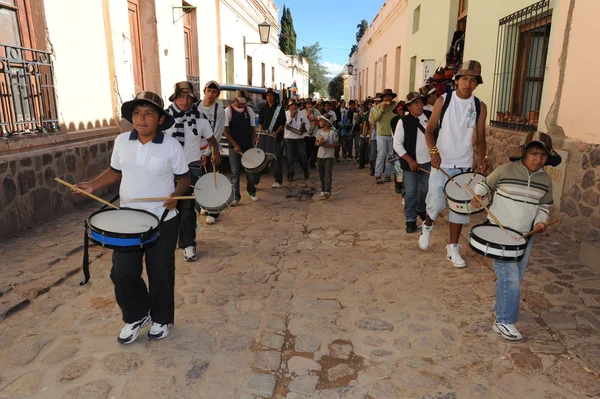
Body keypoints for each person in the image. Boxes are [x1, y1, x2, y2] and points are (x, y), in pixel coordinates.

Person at [74, 91, 190, 342]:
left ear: (160, 119)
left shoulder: (171, 145)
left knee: (161, 273)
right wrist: (93, 185)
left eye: (149, 113)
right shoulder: (121, 141)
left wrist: (176, 196)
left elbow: (184, 178)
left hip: (162, 220)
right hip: (127, 220)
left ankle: (161, 318)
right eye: (137, 113)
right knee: (122, 273)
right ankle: (137, 314)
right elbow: (115, 171)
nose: (142, 119)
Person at [472, 132, 557, 341]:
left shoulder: (545, 180)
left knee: (515, 277)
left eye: (543, 155)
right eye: (534, 153)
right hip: (500, 233)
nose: (538, 159)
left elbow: (544, 206)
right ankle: (504, 321)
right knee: (510, 279)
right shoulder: (505, 170)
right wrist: (478, 195)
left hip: (525, 236)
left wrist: (540, 222)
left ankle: (502, 303)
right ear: (523, 152)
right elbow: (484, 185)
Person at [419, 60, 488, 268]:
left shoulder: (479, 106)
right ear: (457, 81)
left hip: (464, 164)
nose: (468, 83)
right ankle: (428, 226)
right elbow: (429, 131)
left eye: (473, 80)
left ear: (477, 84)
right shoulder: (443, 100)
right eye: (464, 78)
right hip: (441, 163)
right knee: (436, 204)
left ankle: (452, 247)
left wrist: (482, 159)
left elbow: (482, 137)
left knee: (459, 207)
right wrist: (434, 153)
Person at [164, 81, 221, 262]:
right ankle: (167, 240)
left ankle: (188, 244)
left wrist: (215, 153)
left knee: (187, 207)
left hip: (190, 169)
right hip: (166, 170)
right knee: (169, 206)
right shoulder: (163, 118)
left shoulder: (200, 118)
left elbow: (212, 140)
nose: (185, 100)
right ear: (175, 97)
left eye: (188, 97)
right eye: (181, 96)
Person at [393, 92, 431, 233]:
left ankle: (421, 209)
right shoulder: (403, 122)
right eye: (416, 103)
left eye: (420, 101)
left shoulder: (430, 117)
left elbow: (437, 137)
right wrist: (410, 160)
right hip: (410, 165)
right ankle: (410, 220)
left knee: (426, 191)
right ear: (408, 106)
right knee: (410, 193)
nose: (419, 105)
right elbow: (397, 144)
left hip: (428, 163)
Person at [223, 90, 259, 204]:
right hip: (234, 147)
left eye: (244, 102)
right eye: (241, 102)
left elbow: (252, 127)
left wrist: (254, 137)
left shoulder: (249, 111)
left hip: (247, 145)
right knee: (235, 172)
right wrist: (235, 145)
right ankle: (236, 196)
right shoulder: (228, 111)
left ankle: (251, 191)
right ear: (236, 99)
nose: (243, 104)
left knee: (250, 171)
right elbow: (225, 131)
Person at [197, 80, 225, 225]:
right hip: (196, 149)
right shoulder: (196, 107)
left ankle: (214, 211)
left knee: (213, 180)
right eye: (209, 91)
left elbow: (217, 133)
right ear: (204, 91)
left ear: (217, 95)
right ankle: (204, 204)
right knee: (201, 180)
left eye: (214, 92)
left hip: (212, 148)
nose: (210, 94)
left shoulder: (219, 110)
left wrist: (208, 153)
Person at [258, 87, 286, 188]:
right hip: (265, 136)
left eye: (271, 95)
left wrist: (275, 133)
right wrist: (260, 134)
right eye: (268, 95)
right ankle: (256, 181)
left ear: (274, 97)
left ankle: (278, 180)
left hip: (276, 137)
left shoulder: (279, 108)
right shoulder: (262, 108)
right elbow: (260, 123)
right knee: (261, 157)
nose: (269, 97)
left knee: (276, 158)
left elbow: (282, 124)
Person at [372, 89, 398, 184]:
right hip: (381, 135)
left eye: (389, 96)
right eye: (385, 96)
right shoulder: (379, 106)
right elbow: (374, 119)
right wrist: (382, 110)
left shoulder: (396, 106)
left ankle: (388, 175)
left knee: (390, 156)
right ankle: (378, 174)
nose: (388, 98)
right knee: (381, 155)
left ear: (392, 97)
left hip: (392, 135)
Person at [284, 99, 310, 181]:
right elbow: (284, 125)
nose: (294, 106)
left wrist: (305, 129)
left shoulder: (302, 113)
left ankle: (305, 170)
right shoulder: (285, 114)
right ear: (289, 106)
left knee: (303, 157)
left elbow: (307, 123)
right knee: (289, 158)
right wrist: (291, 118)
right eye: (292, 105)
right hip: (289, 139)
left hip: (300, 139)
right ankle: (290, 175)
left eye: (295, 105)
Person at [315, 115, 339, 199]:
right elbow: (316, 143)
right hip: (320, 156)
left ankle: (327, 191)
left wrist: (327, 145)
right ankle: (323, 189)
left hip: (329, 156)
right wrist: (319, 143)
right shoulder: (319, 131)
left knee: (327, 174)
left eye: (321, 121)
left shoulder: (333, 132)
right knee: (321, 174)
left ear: (326, 122)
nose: (320, 122)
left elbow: (337, 144)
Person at [303, 99, 321, 170]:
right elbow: (303, 120)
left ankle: (312, 162)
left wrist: (313, 118)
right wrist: (308, 114)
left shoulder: (316, 111)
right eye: (308, 104)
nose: (310, 105)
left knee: (314, 148)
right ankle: (307, 162)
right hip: (306, 133)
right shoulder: (302, 112)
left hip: (315, 133)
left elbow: (320, 118)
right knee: (307, 148)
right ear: (305, 105)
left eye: (310, 103)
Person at [369, 95, 381, 175]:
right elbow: (371, 121)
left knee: (381, 154)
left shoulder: (384, 108)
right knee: (373, 153)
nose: (377, 103)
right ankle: (373, 168)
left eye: (378, 101)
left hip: (382, 134)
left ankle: (379, 169)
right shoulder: (372, 110)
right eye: (376, 101)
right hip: (374, 134)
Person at [358, 103, 371, 169]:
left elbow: (370, 123)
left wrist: (366, 125)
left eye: (362, 107)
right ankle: (361, 163)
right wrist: (360, 117)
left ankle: (368, 161)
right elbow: (358, 122)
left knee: (369, 149)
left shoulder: (369, 114)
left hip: (368, 133)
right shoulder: (361, 114)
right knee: (362, 149)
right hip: (362, 134)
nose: (361, 109)